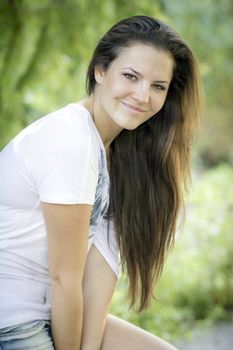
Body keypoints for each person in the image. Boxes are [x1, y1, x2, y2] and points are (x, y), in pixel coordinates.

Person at [0, 15, 202, 350]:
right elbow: (66, 278)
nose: (142, 96)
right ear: (99, 71)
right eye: (130, 76)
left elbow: (99, 273)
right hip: (12, 318)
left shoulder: (121, 157)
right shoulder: (71, 138)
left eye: (158, 86)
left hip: (50, 309)